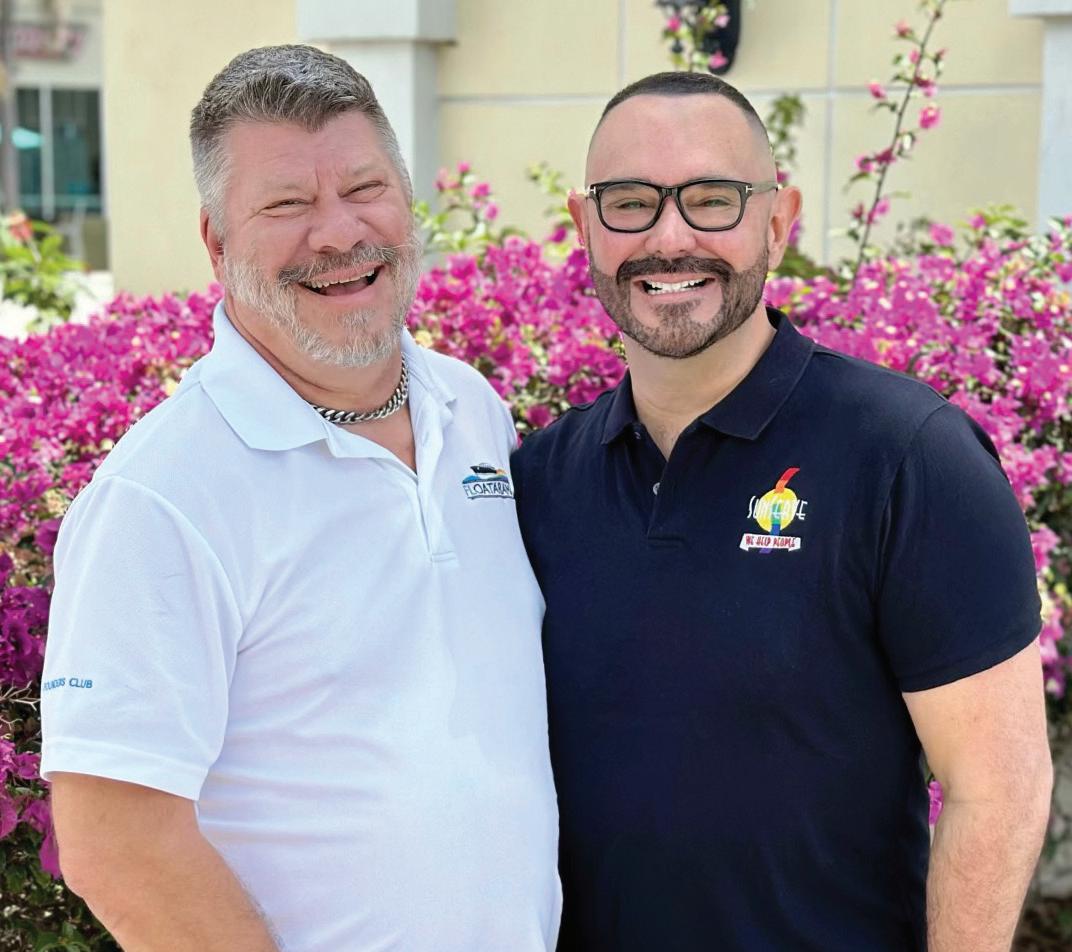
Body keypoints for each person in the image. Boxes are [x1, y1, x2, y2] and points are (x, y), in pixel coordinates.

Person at [511, 70, 1052, 952]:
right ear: (584, 226)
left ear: (778, 220)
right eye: (630, 203)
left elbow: (1000, 786)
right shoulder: (538, 481)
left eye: (712, 199)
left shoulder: (909, 457)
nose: (669, 237)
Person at [40, 45, 560, 952]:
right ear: (217, 242)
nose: (338, 232)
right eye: (286, 205)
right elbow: (114, 842)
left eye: (365, 188)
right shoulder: (160, 496)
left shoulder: (470, 409)